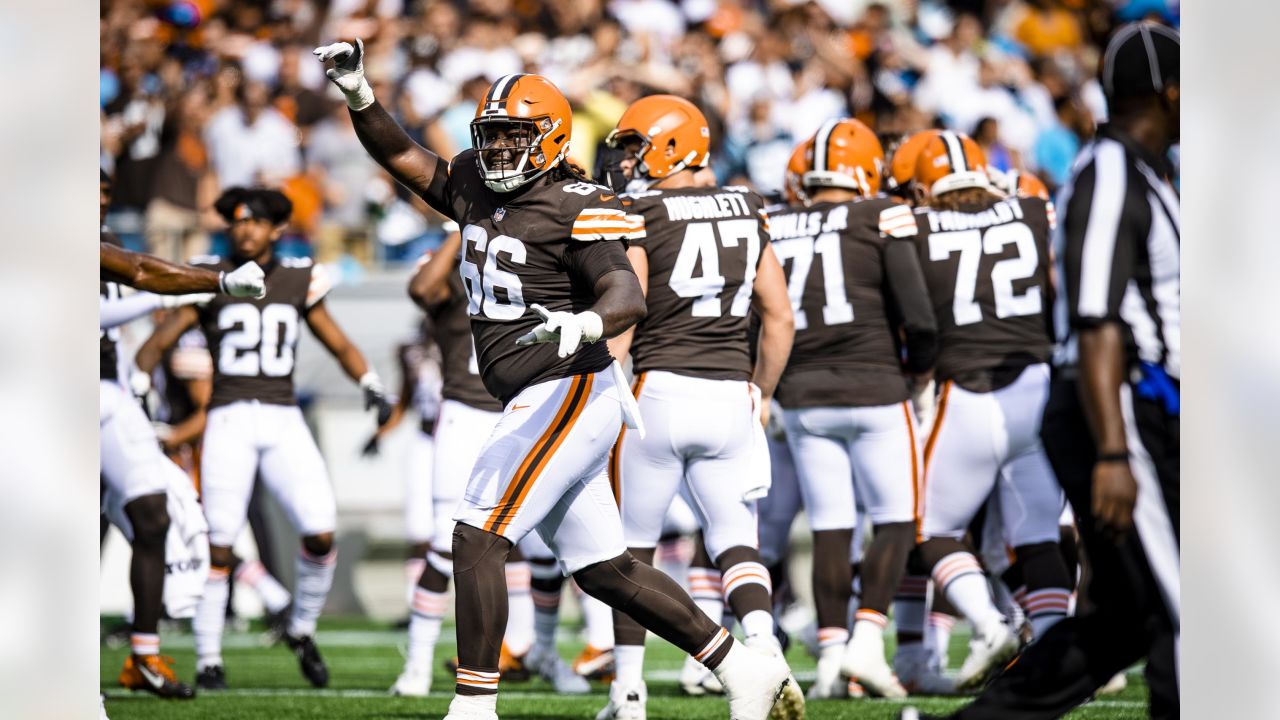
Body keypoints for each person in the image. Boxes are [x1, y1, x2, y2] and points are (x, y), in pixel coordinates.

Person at [317, 37, 797, 720]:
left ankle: (473, 707)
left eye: (514, 137)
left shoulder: (579, 201)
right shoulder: (474, 185)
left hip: (569, 385)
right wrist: (360, 95)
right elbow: (401, 156)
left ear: (550, 138)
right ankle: (741, 667)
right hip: (535, 391)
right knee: (607, 568)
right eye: (492, 136)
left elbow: (625, 293)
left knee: (477, 533)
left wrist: (586, 325)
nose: (500, 151)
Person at [901, 21, 1180, 720]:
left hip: (1023, 394)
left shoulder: (1138, 171)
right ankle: (990, 631)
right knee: (1185, 612)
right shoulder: (1098, 175)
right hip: (1111, 402)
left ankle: (989, 680)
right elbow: (1093, 317)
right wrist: (1114, 447)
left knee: (1120, 621)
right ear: (1170, 93)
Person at [134, 186, 393, 691]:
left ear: (277, 230)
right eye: (236, 221)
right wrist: (141, 382)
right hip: (228, 416)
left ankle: (300, 628)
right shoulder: (215, 275)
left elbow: (336, 340)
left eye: (255, 222)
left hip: (282, 416)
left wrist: (371, 383)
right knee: (221, 544)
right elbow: (160, 340)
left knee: (320, 531)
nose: (244, 230)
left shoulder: (297, 277)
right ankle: (209, 659)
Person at [598, 94, 801, 720]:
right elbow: (780, 315)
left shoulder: (641, 211)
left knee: (630, 552)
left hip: (659, 393)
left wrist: (605, 389)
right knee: (737, 540)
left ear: (672, 146)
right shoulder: (747, 206)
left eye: (636, 147)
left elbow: (624, 323)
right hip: (730, 396)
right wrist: (761, 392)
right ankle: (766, 655)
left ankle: (628, 691)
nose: (628, 161)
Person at [881, 130, 1072, 691]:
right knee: (1037, 530)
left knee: (931, 529)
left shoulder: (912, 224)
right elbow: (1061, 289)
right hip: (1035, 383)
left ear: (923, 183)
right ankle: (1059, 648)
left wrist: (918, 373)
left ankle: (990, 627)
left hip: (963, 391)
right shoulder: (1034, 209)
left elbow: (915, 321)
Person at [768, 118, 936, 698]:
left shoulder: (775, 221)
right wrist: (919, 373)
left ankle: (831, 658)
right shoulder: (882, 213)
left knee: (830, 527)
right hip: (876, 388)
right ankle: (866, 643)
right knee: (897, 519)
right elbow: (918, 316)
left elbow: (760, 317)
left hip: (804, 397)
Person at [99, 169, 197, 701]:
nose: (98, 204)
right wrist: (207, 284)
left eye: (105, 194)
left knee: (152, 516)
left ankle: (143, 652)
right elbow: (121, 291)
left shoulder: (105, 244)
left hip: (105, 391)